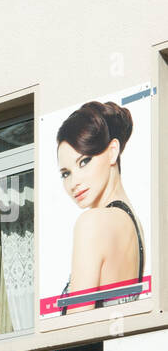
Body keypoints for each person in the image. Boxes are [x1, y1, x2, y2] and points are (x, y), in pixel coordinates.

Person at [55, 100, 144, 314]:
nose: (73, 182)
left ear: (113, 151)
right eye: (66, 173)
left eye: (84, 161)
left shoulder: (93, 222)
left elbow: (78, 332)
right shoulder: (132, 224)